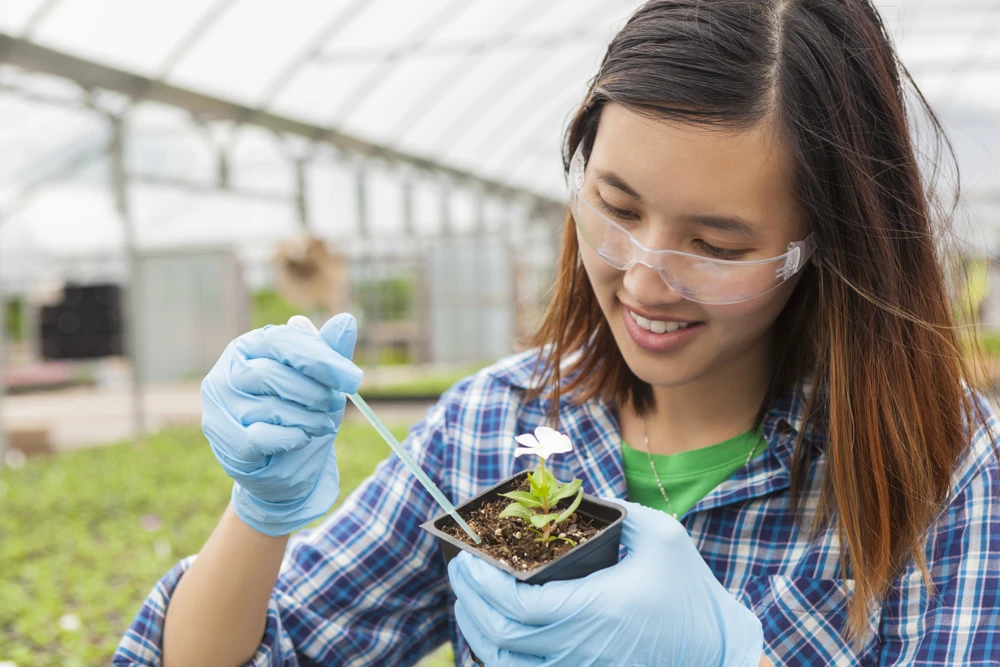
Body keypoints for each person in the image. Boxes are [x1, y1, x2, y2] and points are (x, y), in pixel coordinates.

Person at [114, 0, 1000, 665]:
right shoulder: (498, 428)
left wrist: (733, 654)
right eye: (616, 208)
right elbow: (265, 648)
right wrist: (260, 512)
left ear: (824, 246)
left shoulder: (934, 468)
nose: (645, 279)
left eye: (716, 244)